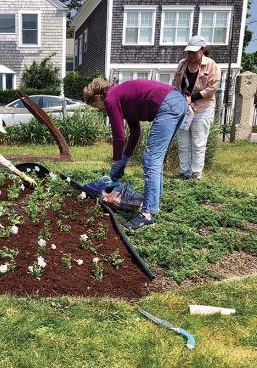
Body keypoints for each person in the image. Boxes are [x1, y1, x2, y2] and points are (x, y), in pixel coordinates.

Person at [83, 78, 187, 229]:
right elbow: (135, 133)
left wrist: (116, 164)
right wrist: (123, 161)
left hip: (168, 104)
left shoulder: (110, 98)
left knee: (151, 160)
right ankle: (153, 203)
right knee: (156, 159)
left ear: (98, 97)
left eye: (96, 106)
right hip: (178, 102)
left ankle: (147, 214)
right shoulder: (121, 96)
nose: (100, 109)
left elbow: (119, 136)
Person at [172, 35, 221, 180]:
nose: (191, 55)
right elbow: (175, 83)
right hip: (183, 108)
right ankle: (184, 172)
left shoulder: (211, 65)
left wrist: (192, 98)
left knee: (198, 142)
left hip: (202, 108)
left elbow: (212, 88)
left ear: (203, 50)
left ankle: (196, 174)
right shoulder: (182, 64)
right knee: (183, 141)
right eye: (189, 52)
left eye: (194, 52)